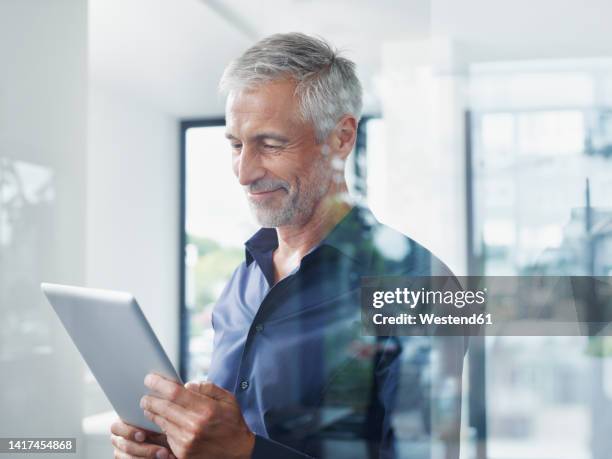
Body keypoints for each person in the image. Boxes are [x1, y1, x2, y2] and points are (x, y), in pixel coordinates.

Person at [110, 32, 467, 459]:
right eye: (237, 145)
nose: (244, 173)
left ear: (341, 138)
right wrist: (174, 443)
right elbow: (225, 436)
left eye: (271, 144)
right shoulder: (243, 279)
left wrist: (246, 453)